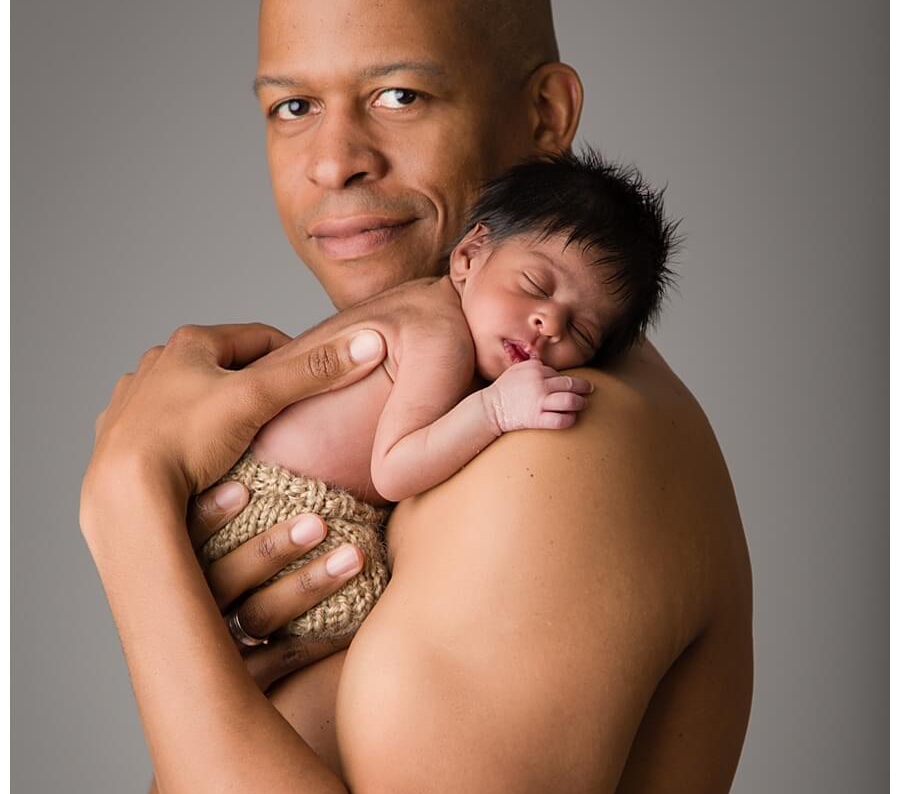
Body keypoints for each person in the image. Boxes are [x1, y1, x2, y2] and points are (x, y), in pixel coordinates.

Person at [81, 0, 753, 794]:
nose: (336, 159)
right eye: (291, 106)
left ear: (545, 113)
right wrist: (225, 648)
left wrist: (128, 514)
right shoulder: (399, 434)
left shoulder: (562, 438)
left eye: (399, 92)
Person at [201, 149, 676, 642]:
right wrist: (494, 410)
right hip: (267, 505)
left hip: (247, 492)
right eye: (536, 284)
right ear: (470, 256)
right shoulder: (439, 336)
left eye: (580, 329)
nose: (549, 324)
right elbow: (395, 469)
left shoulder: (430, 305)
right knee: (370, 602)